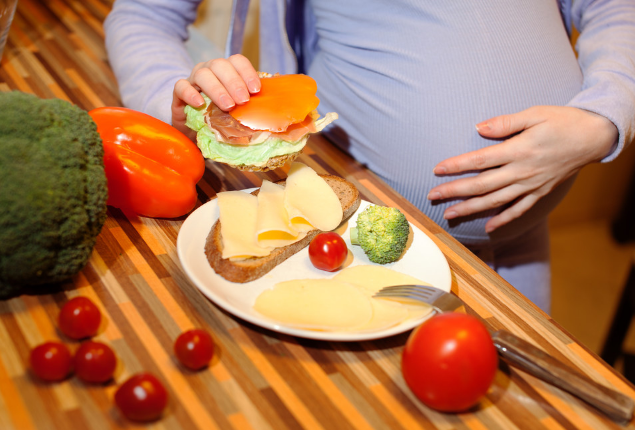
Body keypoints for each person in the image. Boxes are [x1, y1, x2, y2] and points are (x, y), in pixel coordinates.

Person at [104, 0, 635, 313]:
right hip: (337, 238)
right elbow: (144, 13)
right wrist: (173, 101)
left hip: (518, 249)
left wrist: (605, 114)